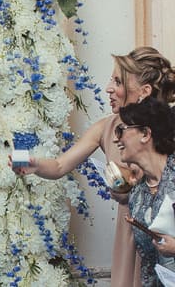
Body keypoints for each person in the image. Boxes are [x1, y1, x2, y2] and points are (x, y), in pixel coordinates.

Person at [13, 46, 175, 287]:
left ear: (144, 91)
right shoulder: (106, 128)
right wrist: (34, 165)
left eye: (118, 81)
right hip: (132, 231)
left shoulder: (167, 128)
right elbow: (59, 165)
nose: (109, 88)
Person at [114, 97, 175, 286]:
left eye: (121, 130)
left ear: (145, 134)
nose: (117, 139)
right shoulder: (137, 194)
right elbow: (148, 265)